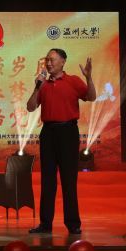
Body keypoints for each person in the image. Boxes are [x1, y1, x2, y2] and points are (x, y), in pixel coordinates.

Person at [26, 48, 96, 234]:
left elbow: (91, 97)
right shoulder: (43, 84)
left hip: (68, 132)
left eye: (52, 60)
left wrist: (89, 78)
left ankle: (73, 224)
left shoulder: (73, 81)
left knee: (68, 180)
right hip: (48, 132)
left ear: (63, 61)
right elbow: (30, 107)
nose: (49, 63)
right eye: (47, 60)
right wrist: (37, 87)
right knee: (47, 180)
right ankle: (45, 224)